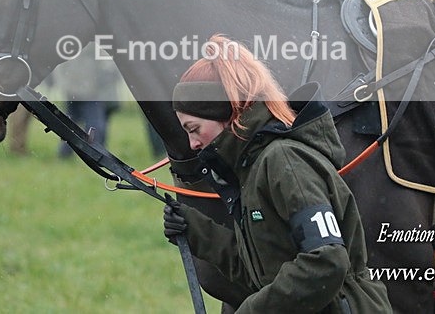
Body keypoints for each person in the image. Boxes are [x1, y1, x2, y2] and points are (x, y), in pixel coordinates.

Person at [163, 35, 391, 313]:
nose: (193, 145)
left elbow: (326, 262)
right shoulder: (252, 166)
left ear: (226, 110)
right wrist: (195, 230)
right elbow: (262, 271)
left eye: (194, 129)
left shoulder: (283, 160)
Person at [54, 45, 122, 158]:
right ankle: (96, 154)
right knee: (95, 123)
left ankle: (65, 154)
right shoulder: (90, 41)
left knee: (70, 123)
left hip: (74, 86)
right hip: (89, 88)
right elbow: (105, 60)